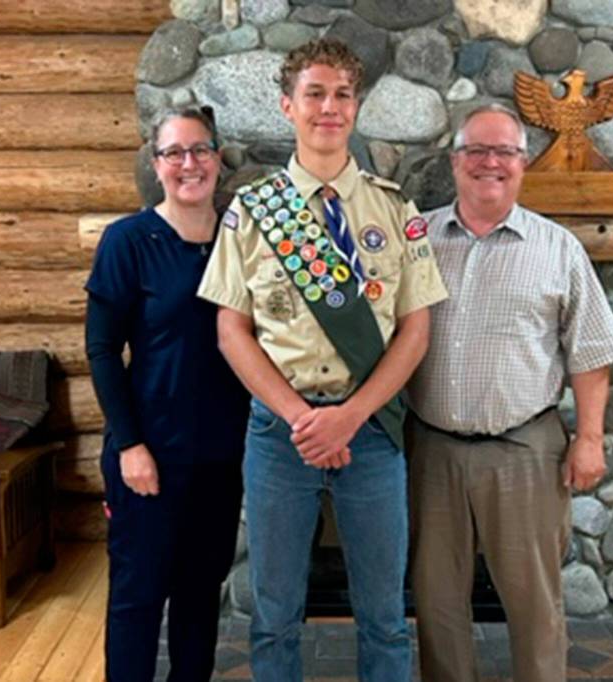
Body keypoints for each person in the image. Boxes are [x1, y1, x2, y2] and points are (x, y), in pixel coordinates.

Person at [197, 38, 448, 682]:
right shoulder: (253, 214)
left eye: (341, 95)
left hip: (372, 434)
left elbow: (415, 331)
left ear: (356, 109)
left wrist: (351, 417)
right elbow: (232, 331)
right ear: (288, 106)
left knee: (386, 616)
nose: (328, 108)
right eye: (315, 93)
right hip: (282, 435)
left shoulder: (396, 211)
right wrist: (306, 420)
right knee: (275, 613)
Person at [407, 104, 613, 682]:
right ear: (455, 161)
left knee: (534, 603)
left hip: (526, 450)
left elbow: (591, 353)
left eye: (503, 151)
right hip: (430, 450)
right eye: (476, 150)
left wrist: (589, 438)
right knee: (436, 602)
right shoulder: (416, 240)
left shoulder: (557, 249)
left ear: (523, 163)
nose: (490, 162)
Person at [85, 106, 249, 682]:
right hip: (148, 457)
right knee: (138, 597)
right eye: (174, 153)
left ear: (218, 159)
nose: (189, 163)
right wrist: (130, 444)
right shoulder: (128, 241)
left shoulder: (240, 238)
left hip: (222, 457)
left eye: (200, 149)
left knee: (201, 596)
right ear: (157, 165)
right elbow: (103, 351)